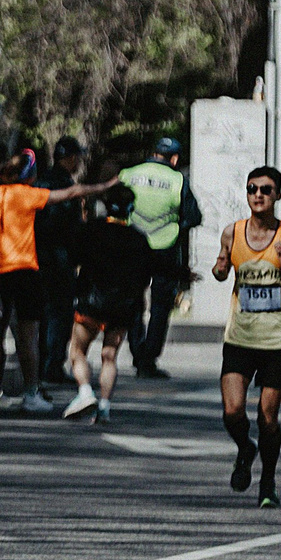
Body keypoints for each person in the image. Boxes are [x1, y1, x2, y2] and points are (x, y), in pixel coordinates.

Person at [0, 149, 114, 413]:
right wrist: (105, 185)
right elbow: (71, 193)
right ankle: (31, 392)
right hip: (24, 270)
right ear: (27, 176)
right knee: (28, 336)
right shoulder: (27, 195)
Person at [214, 165, 281, 508]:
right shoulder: (232, 232)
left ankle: (267, 481)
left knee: (267, 418)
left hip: (276, 341)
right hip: (240, 336)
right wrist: (220, 269)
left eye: (266, 189)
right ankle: (244, 448)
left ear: (278, 195)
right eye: (253, 188)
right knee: (232, 410)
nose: (258, 194)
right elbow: (221, 269)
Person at [62, 178, 152, 425]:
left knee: (77, 351)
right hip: (122, 308)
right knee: (109, 356)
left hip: (91, 303)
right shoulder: (137, 238)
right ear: (130, 208)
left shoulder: (91, 230)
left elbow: (73, 257)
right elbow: (147, 273)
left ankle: (85, 392)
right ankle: (104, 406)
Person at [115, 137, 200, 380]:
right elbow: (192, 216)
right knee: (161, 305)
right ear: (174, 159)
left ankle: (136, 350)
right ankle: (148, 358)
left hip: (132, 246)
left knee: (133, 303)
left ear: (154, 153)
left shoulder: (128, 174)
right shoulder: (177, 179)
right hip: (165, 246)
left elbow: (114, 205)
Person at [36, 137, 89, 381]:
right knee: (59, 312)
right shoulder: (64, 186)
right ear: (68, 158)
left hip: (38, 254)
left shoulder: (41, 181)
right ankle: (52, 364)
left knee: (44, 312)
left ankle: (42, 363)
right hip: (59, 257)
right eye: (77, 157)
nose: (79, 162)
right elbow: (71, 226)